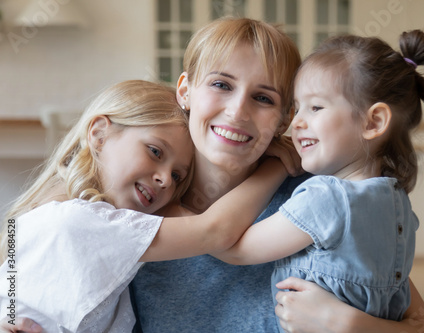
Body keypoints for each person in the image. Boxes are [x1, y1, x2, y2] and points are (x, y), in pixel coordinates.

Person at [3, 17, 424, 333]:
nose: (237, 111)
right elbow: (19, 247)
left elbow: (420, 325)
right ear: (186, 91)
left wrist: (348, 323)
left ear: (285, 117)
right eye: (221, 84)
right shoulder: (139, 198)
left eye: (264, 97)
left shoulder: (315, 201)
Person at [210, 29, 424, 331]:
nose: (297, 122)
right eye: (297, 107)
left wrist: (177, 214)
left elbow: (236, 249)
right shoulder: (398, 208)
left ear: (373, 122)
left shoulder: (326, 198)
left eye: (315, 107)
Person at [0, 80, 291, 332]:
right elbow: (215, 231)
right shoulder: (88, 224)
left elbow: (10, 291)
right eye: (155, 152)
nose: (165, 179)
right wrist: (277, 165)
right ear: (99, 133)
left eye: (178, 176)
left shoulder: (41, 214)